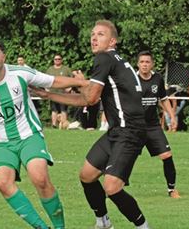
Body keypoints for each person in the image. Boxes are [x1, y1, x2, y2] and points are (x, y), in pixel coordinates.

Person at [35, 20, 151, 229]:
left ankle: (143, 226)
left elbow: (89, 98)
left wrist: (79, 82)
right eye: (92, 34)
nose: (94, 38)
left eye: (100, 34)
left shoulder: (104, 58)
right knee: (87, 175)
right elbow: (89, 98)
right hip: (118, 131)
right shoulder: (116, 61)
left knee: (112, 187)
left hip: (129, 132)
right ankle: (103, 222)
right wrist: (48, 95)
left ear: (112, 41)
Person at [0, 38, 89, 229]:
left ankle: (60, 227)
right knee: (2, 182)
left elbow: (53, 81)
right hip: (1, 143)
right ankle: (41, 227)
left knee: (39, 177)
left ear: (3, 57)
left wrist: (82, 82)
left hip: (29, 135)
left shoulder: (21, 73)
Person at [137, 51, 181, 198]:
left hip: (153, 126)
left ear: (152, 64)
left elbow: (163, 99)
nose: (144, 65)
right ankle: (113, 187)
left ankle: (171, 189)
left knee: (167, 155)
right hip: (134, 126)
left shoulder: (157, 78)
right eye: (142, 62)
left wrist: (171, 116)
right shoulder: (132, 79)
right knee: (124, 158)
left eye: (147, 62)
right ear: (138, 64)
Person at [45, 54, 72, 129]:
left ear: (62, 60)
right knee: (54, 110)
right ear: (53, 60)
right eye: (56, 59)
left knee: (63, 110)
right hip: (53, 93)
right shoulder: (50, 69)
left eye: (59, 59)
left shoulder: (66, 69)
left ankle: (63, 125)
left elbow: (72, 79)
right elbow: (45, 80)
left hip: (63, 94)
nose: (57, 60)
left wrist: (69, 88)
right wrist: (46, 89)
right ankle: (54, 125)